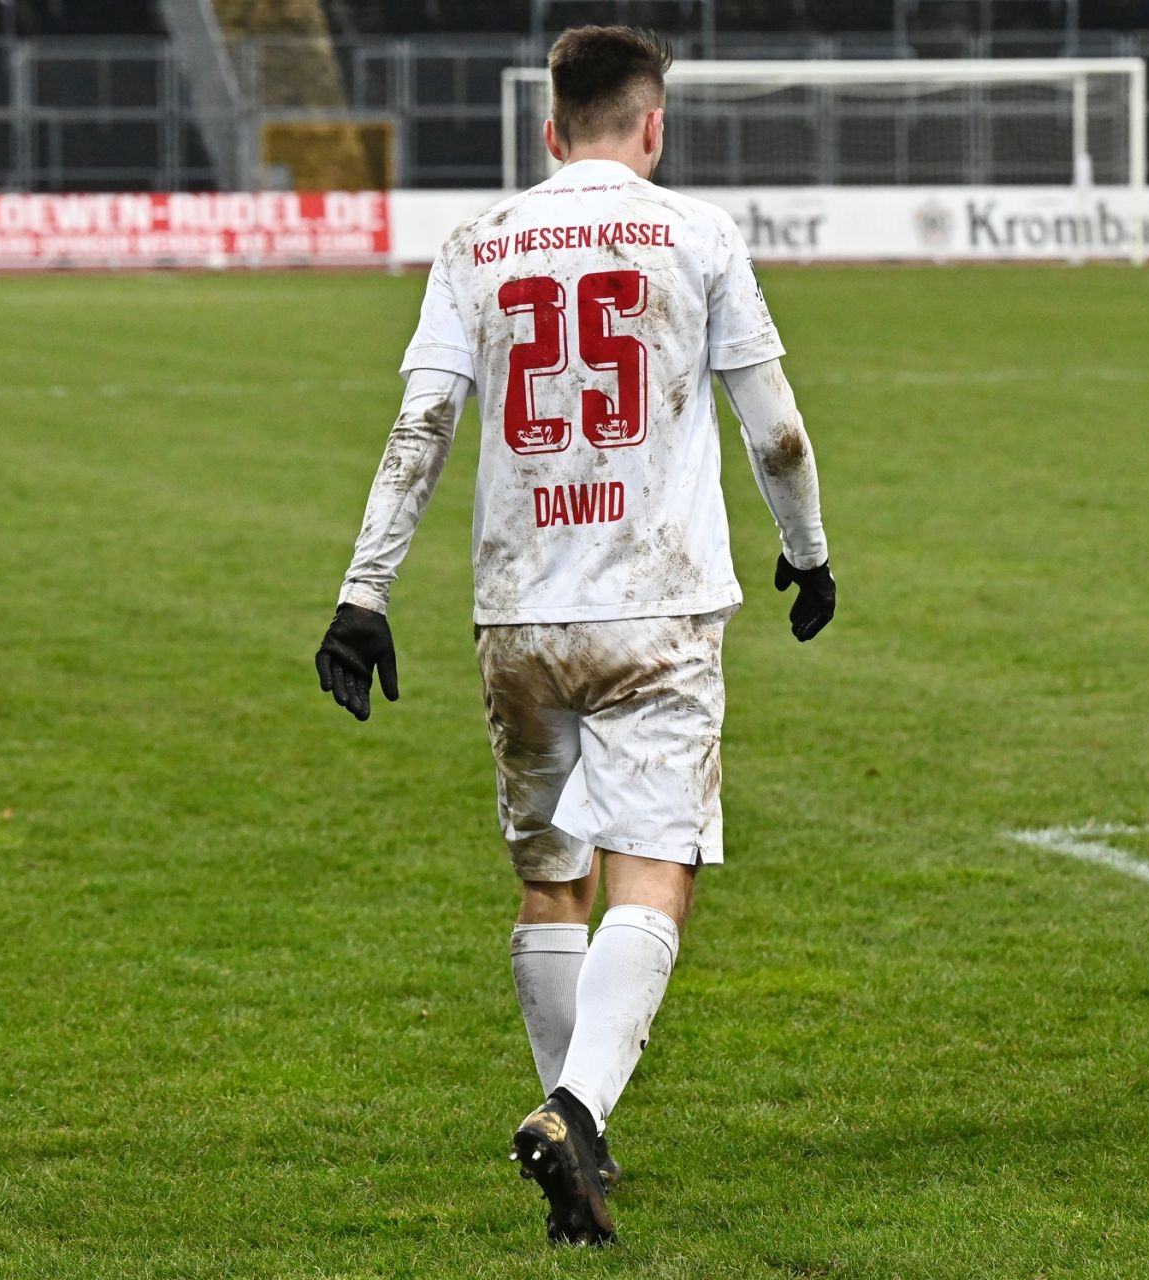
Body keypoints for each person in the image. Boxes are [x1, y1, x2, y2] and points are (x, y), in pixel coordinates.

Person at [312, 25, 836, 1247]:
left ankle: (586, 1140)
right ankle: (577, 1110)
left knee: (552, 873)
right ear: (653, 125)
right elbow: (778, 434)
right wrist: (807, 554)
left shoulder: (477, 241)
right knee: (656, 864)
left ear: (549, 130)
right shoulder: (697, 234)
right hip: (653, 610)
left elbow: (421, 426)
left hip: (518, 614)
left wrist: (362, 595)